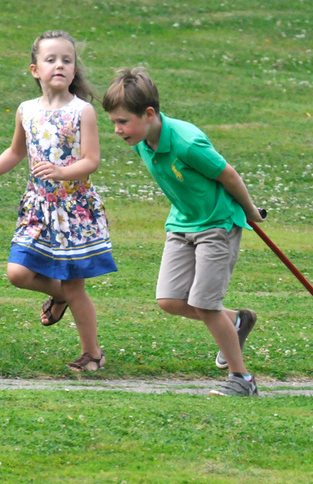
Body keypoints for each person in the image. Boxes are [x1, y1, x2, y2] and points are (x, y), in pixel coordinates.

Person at [102, 67, 264, 397]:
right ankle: (235, 322)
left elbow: (228, 175)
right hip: (181, 224)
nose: (117, 130)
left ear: (149, 114)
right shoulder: (142, 141)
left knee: (205, 305)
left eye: (123, 122)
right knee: (170, 300)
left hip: (216, 225)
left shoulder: (188, 143)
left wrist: (249, 212)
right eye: (114, 123)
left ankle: (242, 380)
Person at [0, 30, 117, 371]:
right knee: (18, 272)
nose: (60, 65)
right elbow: (16, 151)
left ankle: (92, 354)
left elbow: (91, 160)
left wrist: (63, 172)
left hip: (74, 210)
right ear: (35, 69)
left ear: (75, 69)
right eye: (51, 60)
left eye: (67, 60)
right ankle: (59, 295)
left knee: (74, 284)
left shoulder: (83, 112)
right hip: (38, 207)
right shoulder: (26, 110)